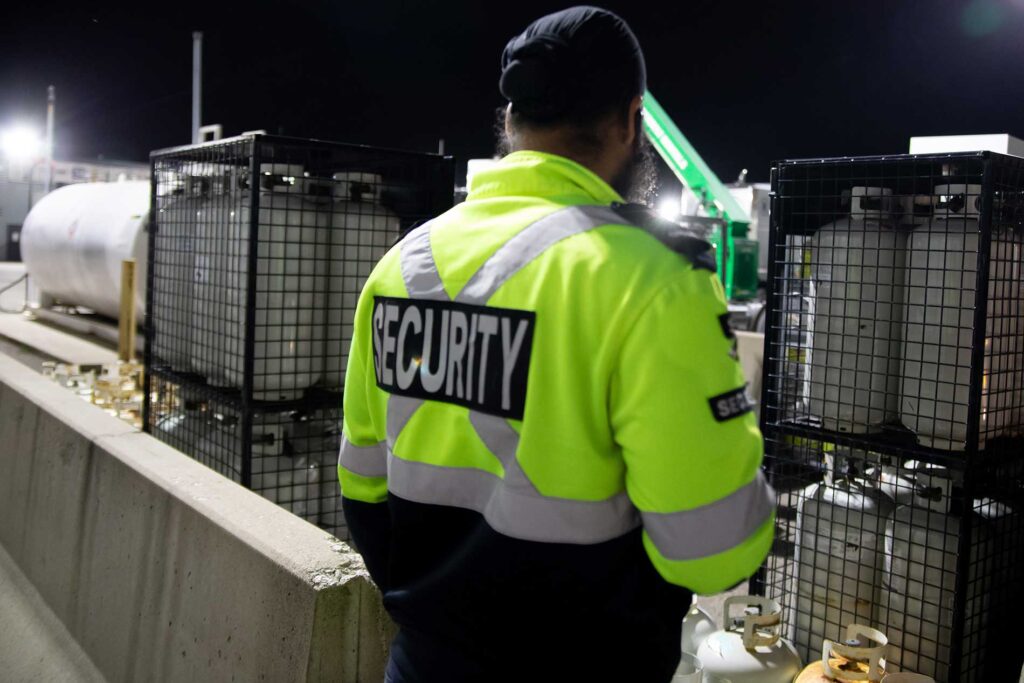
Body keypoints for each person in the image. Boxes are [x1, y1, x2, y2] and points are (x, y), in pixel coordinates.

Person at [338, 6, 775, 682]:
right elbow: (714, 551)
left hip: (423, 665)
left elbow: (362, 491)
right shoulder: (652, 282)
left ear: (510, 123)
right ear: (632, 122)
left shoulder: (398, 266)